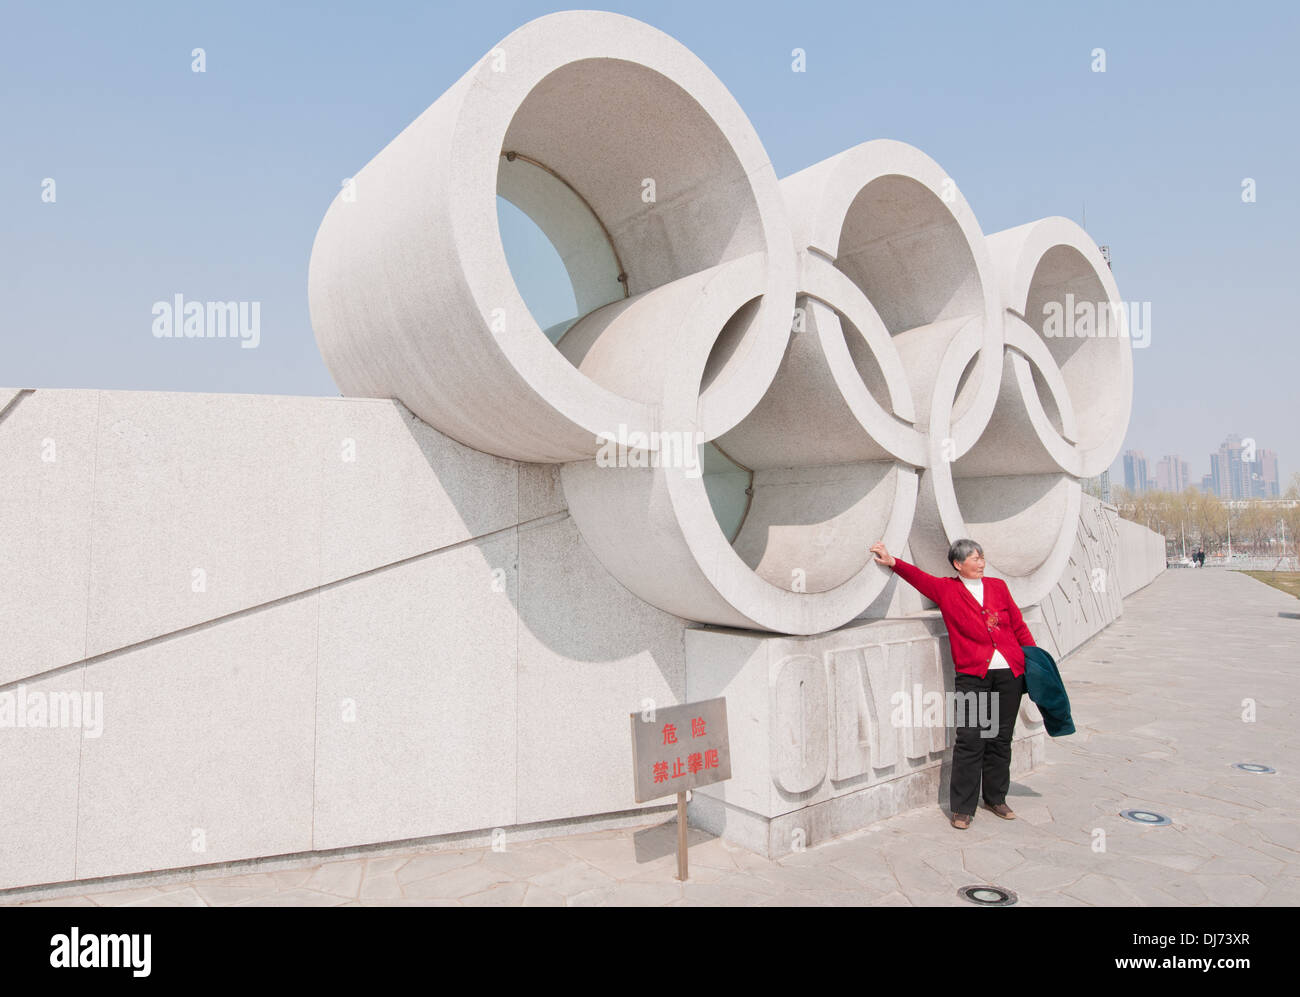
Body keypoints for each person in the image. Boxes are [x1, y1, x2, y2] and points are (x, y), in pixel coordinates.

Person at [869, 538, 1036, 830]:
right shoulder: (947, 590)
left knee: (1000, 739)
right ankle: (962, 807)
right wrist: (892, 561)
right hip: (973, 675)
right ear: (959, 564)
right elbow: (919, 578)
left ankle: (996, 797)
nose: (981, 563)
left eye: (982, 557)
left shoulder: (998, 587)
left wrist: (1032, 661)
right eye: (974, 559)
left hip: (1009, 672)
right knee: (970, 739)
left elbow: (1019, 626)